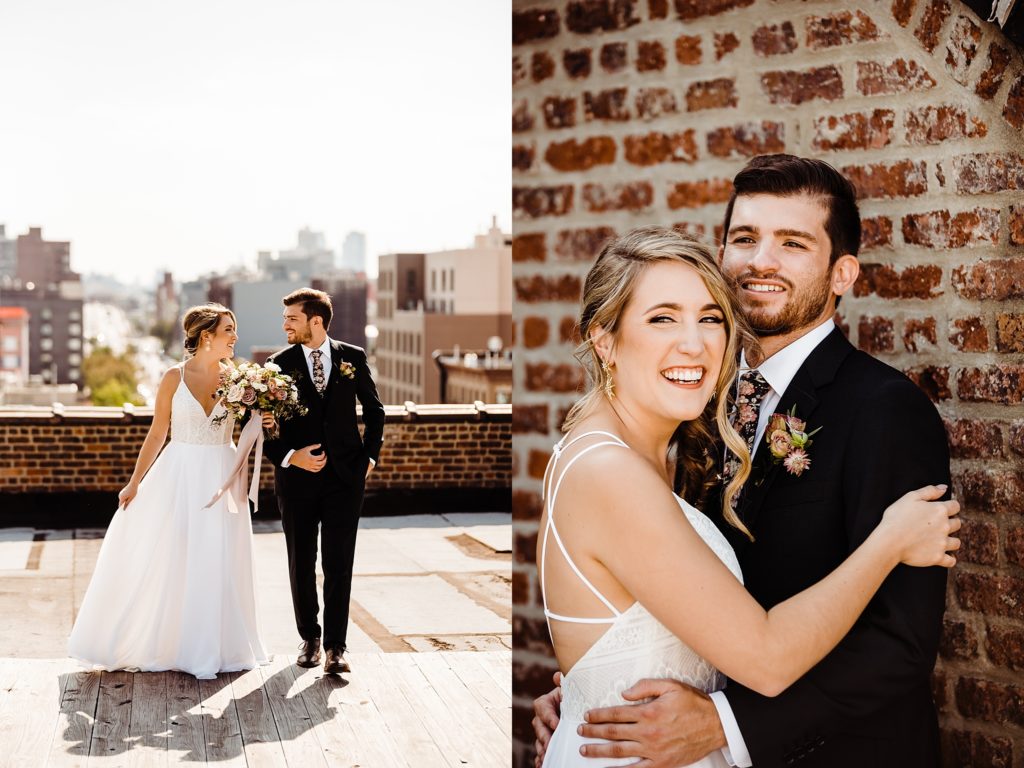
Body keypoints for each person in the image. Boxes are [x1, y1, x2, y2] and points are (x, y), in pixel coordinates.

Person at [534, 156, 958, 768]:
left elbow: (902, 641)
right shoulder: (695, 404)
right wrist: (587, 683)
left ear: (842, 273)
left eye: (792, 243)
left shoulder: (885, 409)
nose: (761, 261)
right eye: (744, 238)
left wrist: (727, 727)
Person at [69, 304, 270, 680]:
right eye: (229, 329)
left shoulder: (238, 379)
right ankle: (173, 643)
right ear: (206, 335)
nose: (235, 337)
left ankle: (216, 646)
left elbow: (249, 429)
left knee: (220, 557)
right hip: (179, 474)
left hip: (224, 474)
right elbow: (158, 432)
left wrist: (263, 417)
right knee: (175, 556)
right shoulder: (172, 378)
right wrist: (134, 481)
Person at [262, 288, 385, 675]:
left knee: (339, 563)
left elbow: (375, 410)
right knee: (301, 561)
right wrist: (290, 456)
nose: (285, 325)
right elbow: (267, 428)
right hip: (297, 481)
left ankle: (336, 647)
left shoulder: (353, 357)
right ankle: (310, 639)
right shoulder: (277, 364)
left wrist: (369, 456)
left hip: (345, 479)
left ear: (316, 321)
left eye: (292, 319)